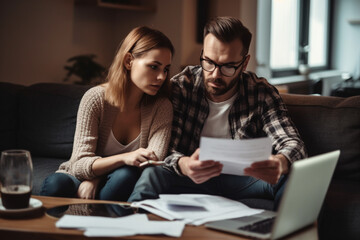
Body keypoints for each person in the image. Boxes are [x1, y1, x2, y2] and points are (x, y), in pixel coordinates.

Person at [128, 17, 307, 210]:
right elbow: (165, 148)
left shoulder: (260, 92)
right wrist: (184, 163)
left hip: (243, 180)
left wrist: (281, 162)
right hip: (192, 178)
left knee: (295, 180)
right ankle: (131, 229)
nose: (215, 74)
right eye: (209, 62)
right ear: (203, 53)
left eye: (228, 66)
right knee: (152, 174)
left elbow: (293, 143)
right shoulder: (182, 86)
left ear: (244, 63)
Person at [40, 26, 174, 201]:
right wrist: (124, 158)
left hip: (121, 180)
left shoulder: (161, 107)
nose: (161, 77)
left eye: (165, 69)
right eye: (154, 67)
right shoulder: (95, 99)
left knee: (124, 176)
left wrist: (97, 177)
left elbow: (152, 162)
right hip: (78, 177)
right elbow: (79, 165)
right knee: (56, 185)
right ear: (128, 61)